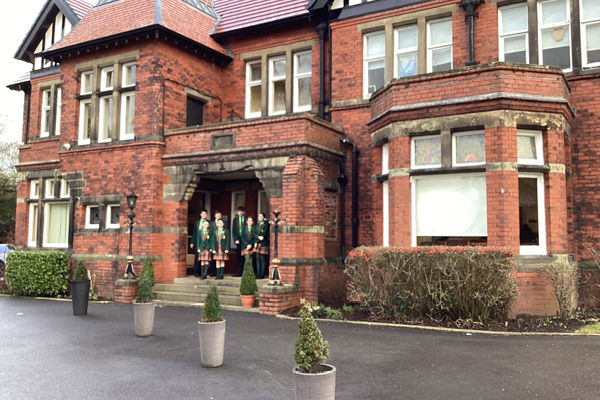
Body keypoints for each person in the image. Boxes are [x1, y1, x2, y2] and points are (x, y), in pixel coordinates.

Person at [190, 209, 210, 278]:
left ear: (207, 215)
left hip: (206, 244)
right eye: (203, 214)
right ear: (200, 214)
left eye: (205, 214)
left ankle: (203, 273)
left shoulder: (208, 222)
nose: (204, 215)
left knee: (205, 259)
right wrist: (192, 242)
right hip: (198, 242)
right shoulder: (197, 222)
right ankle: (196, 272)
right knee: (197, 258)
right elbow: (194, 232)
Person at [253, 212, 270, 279]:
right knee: (257, 258)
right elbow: (254, 233)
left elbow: (264, 234)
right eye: (259, 216)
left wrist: (258, 239)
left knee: (262, 258)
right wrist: (256, 240)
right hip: (257, 243)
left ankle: (262, 274)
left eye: (261, 216)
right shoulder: (257, 225)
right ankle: (258, 274)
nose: (260, 217)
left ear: (264, 217)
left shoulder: (266, 225)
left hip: (263, 243)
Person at [231, 206, 246, 277]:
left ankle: (246, 272)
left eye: (242, 211)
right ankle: (239, 272)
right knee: (239, 256)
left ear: (243, 212)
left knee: (246, 256)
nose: (240, 212)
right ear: (237, 212)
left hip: (245, 240)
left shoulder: (246, 219)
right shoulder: (235, 220)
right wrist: (235, 239)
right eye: (239, 211)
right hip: (238, 240)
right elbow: (233, 231)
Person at [209, 210, 223, 277]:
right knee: (213, 258)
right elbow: (210, 234)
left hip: (221, 244)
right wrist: (211, 246)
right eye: (217, 214)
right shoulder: (211, 224)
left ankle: (220, 273)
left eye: (220, 215)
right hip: (214, 243)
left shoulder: (224, 223)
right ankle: (213, 272)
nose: (219, 216)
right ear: (215, 215)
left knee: (221, 259)